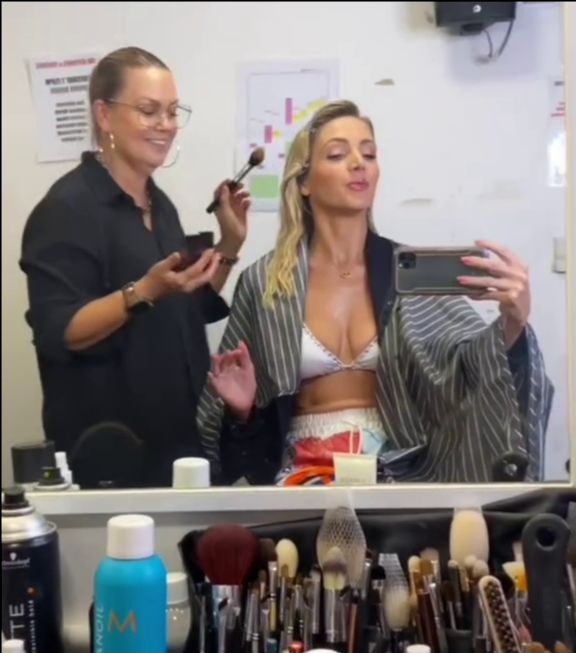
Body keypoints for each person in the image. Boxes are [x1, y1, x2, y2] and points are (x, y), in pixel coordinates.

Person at [196, 100, 553, 486]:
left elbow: (469, 370)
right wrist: (243, 411)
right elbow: (228, 426)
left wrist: (513, 321)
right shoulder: (266, 283)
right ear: (304, 182)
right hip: (301, 475)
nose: (358, 164)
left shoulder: (409, 275)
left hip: (399, 473)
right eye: (337, 154)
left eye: (369, 154)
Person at [20, 47, 250, 487]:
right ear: (104, 115)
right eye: (148, 110)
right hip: (111, 455)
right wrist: (141, 291)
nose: (165, 124)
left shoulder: (159, 205)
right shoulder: (65, 209)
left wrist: (229, 243)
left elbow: (185, 302)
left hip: (180, 445)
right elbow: (59, 330)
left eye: (172, 111)